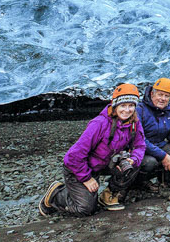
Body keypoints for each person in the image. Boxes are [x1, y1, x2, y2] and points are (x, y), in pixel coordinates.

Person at [39, 83, 145, 216]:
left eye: (131, 105)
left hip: (105, 163)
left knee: (136, 164)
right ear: (115, 105)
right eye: (123, 105)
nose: (127, 110)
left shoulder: (134, 123)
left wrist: (133, 159)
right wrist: (86, 178)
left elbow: (140, 146)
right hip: (80, 167)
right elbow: (72, 156)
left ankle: (108, 196)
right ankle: (56, 194)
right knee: (86, 209)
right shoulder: (99, 124)